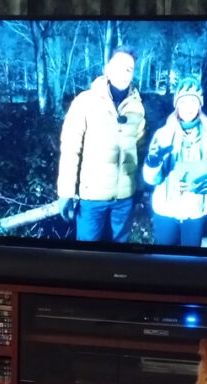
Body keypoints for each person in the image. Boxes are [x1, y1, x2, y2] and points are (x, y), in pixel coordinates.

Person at [57, 46, 146, 242]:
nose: (124, 73)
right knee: (87, 255)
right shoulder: (85, 101)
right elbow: (71, 148)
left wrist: (138, 187)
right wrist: (66, 192)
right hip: (91, 198)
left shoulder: (137, 107)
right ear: (108, 68)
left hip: (124, 198)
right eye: (120, 67)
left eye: (129, 69)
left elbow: (139, 150)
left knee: (119, 257)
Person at [141, 77, 207, 247]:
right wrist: (152, 164)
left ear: (200, 105)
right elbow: (150, 179)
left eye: (193, 102)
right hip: (165, 209)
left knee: (190, 261)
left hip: (195, 210)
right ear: (176, 104)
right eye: (183, 101)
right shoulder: (163, 134)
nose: (188, 107)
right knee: (163, 260)